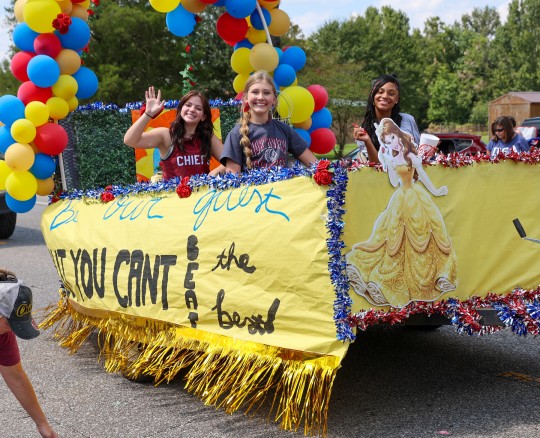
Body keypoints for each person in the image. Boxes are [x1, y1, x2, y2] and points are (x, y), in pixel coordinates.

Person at [346, 118, 457, 308]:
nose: (391, 143)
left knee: (426, 235)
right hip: (400, 199)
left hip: (416, 198)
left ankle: (433, 278)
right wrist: (387, 160)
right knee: (392, 238)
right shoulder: (392, 156)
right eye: (387, 141)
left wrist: (436, 191)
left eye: (392, 138)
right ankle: (389, 281)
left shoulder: (412, 156)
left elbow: (423, 176)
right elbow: (394, 181)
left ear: (398, 135)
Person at [0, 268, 59, 438]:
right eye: (9, 324)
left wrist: (43, 424)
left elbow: (16, 377)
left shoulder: (3, 333)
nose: (11, 330)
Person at [221, 71, 317, 172]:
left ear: (274, 99)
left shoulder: (284, 129)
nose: (260, 97)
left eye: (266, 93)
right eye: (255, 92)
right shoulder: (236, 134)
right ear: (245, 98)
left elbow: (314, 164)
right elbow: (233, 177)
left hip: (284, 182)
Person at [124, 87, 225, 180]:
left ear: (203, 116)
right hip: (173, 193)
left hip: (203, 193)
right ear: (180, 109)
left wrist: (214, 173)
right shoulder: (166, 135)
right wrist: (148, 114)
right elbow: (130, 141)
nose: (192, 110)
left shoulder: (208, 137)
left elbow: (230, 161)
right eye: (188, 105)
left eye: (198, 108)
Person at [353, 74, 420, 163]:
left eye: (391, 94)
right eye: (380, 92)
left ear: (397, 99)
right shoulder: (364, 130)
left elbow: (419, 152)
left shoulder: (408, 120)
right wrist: (367, 141)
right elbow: (376, 165)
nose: (385, 96)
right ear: (373, 95)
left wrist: (429, 149)